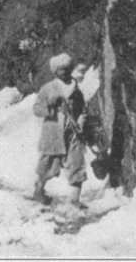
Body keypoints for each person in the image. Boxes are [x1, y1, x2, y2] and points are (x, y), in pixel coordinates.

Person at [32, 53, 88, 209]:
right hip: (54, 133)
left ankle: (75, 200)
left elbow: (82, 108)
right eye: (61, 69)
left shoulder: (75, 88)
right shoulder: (48, 88)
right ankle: (39, 190)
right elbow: (36, 109)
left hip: (73, 133)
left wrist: (82, 120)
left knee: (77, 163)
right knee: (49, 165)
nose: (64, 72)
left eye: (67, 68)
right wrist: (50, 105)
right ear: (55, 71)